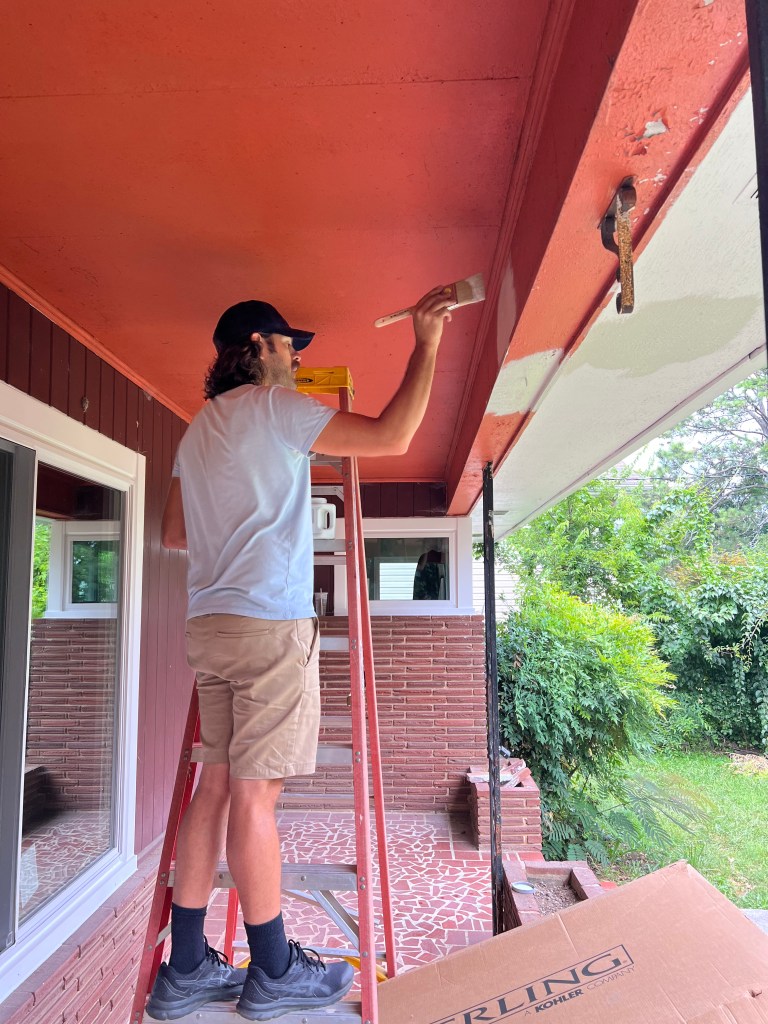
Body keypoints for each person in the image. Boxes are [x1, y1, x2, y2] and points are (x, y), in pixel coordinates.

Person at [146, 287, 453, 1020]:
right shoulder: (275, 410)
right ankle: (275, 967)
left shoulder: (198, 430)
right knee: (255, 798)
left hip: (211, 626)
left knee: (215, 788)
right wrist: (427, 344)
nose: (298, 358)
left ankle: (185, 967)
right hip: (268, 630)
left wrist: (249, 510)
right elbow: (393, 436)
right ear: (256, 346)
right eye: (290, 346)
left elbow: (175, 533)